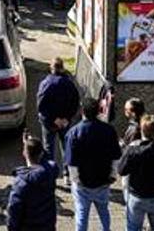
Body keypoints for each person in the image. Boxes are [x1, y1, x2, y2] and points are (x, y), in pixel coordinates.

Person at [65, 98, 121, 231]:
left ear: (82, 111)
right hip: (103, 181)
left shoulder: (74, 133)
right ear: (99, 111)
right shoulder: (109, 130)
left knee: (82, 215)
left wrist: (76, 180)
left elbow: (71, 163)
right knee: (104, 211)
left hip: (82, 184)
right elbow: (116, 156)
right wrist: (112, 175)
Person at [115, 114, 154, 231]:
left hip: (137, 197)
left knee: (133, 227)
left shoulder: (133, 150)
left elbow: (121, 170)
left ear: (141, 130)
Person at [36, 58, 80, 174]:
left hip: (49, 122)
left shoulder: (46, 83)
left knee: (49, 148)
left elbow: (41, 105)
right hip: (65, 121)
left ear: (51, 68)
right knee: (66, 147)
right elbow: (75, 102)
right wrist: (66, 118)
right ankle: (67, 174)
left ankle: (51, 174)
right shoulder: (69, 84)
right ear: (62, 68)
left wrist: (54, 119)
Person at [6, 134, 59, 231]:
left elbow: (14, 211)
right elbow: (48, 162)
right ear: (41, 153)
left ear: (24, 154)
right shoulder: (51, 172)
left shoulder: (20, 183)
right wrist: (32, 144)